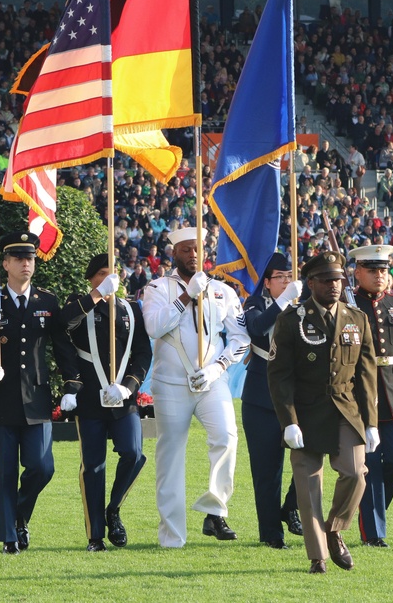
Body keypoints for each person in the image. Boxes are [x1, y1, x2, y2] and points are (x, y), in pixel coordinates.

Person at [0, 231, 80, 554]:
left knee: (42, 468)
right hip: (0, 402)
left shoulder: (47, 301)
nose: (26, 264)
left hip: (36, 400)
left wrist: (72, 384)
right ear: (5, 263)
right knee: (4, 473)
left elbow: (62, 348)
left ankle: (19, 517)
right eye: (18, 258)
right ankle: (9, 538)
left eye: (30, 258)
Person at [268, 251, 379, 574]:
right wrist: (288, 421)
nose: (334, 285)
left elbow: (367, 374)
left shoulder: (356, 319)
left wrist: (371, 423)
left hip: (346, 409)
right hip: (305, 412)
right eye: (327, 280)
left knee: (356, 473)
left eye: (339, 279)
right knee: (308, 484)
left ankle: (334, 529)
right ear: (311, 283)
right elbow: (279, 376)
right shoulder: (291, 320)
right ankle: (318, 555)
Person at [141, 227, 250, 548]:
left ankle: (214, 508)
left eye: (197, 250)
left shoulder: (223, 291)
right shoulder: (158, 287)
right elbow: (154, 327)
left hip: (212, 382)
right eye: (186, 250)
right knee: (170, 455)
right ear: (174, 253)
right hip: (170, 384)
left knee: (227, 437)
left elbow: (241, 339)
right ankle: (171, 536)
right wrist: (187, 294)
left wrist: (219, 367)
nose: (193, 256)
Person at [58, 254, 152, 552]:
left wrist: (129, 388)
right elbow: (62, 324)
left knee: (134, 453)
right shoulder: (80, 304)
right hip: (89, 399)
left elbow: (143, 354)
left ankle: (114, 509)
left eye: (112, 273)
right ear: (91, 278)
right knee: (94, 467)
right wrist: (97, 295)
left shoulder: (131, 309)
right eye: (100, 273)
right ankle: (95, 535)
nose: (107, 278)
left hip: (123, 400)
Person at [348, 244, 393, 549]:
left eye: (384, 270)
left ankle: (375, 511)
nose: (380, 276)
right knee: (369, 467)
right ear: (358, 272)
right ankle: (374, 533)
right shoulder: (347, 304)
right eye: (372, 270)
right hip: (359, 396)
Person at [241, 253, 304, 549]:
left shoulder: (302, 305)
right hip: (261, 396)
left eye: (290, 276)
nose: (287, 281)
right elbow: (256, 328)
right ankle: (271, 534)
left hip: (297, 393)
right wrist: (283, 301)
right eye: (280, 277)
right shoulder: (255, 303)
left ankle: (291, 506)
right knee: (267, 469)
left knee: (312, 454)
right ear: (267, 283)